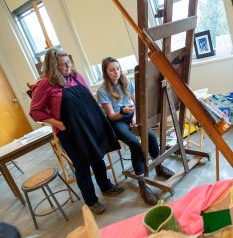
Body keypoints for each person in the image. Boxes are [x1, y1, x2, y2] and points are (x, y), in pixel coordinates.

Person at [30, 48, 124, 215]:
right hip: (70, 132)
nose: (67, 66)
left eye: (69, 62)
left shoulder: (76, 76)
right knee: (82, 166)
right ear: (53, 66)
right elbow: (35, 111)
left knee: (97, 157)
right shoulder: (45, 84)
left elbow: (87, 97)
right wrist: (57, 123)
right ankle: (91, 201)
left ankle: (106, 186)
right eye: (62, 65)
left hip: (89, 125)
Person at [97, 57, 175, 206]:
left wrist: (135, 117)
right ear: (106, 72)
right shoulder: (102, 90)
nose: (116, 72)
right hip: (117, 121)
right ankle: (142, 184)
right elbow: (112, 116)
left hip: (130, 116)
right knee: (135, 143)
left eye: (118, 68)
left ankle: (158, 166)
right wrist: (124, 111)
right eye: (112, 70)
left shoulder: (127, 82)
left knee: (151, 136)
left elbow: (137, 104)